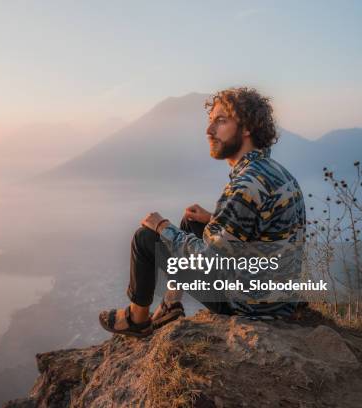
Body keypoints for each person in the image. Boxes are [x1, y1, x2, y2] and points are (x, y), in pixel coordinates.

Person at [99, 87, 307, 337]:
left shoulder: (245, 185)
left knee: (145, 239)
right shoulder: (273, 171)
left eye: (221, 121)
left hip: (249, 305)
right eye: (210, 122)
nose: (209, 131)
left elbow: (208, 258)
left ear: (247, 127)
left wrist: (162, 226)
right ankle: (170, 305)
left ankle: (137, 319)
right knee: (192, 222)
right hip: (277, 296)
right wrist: (213, 220)